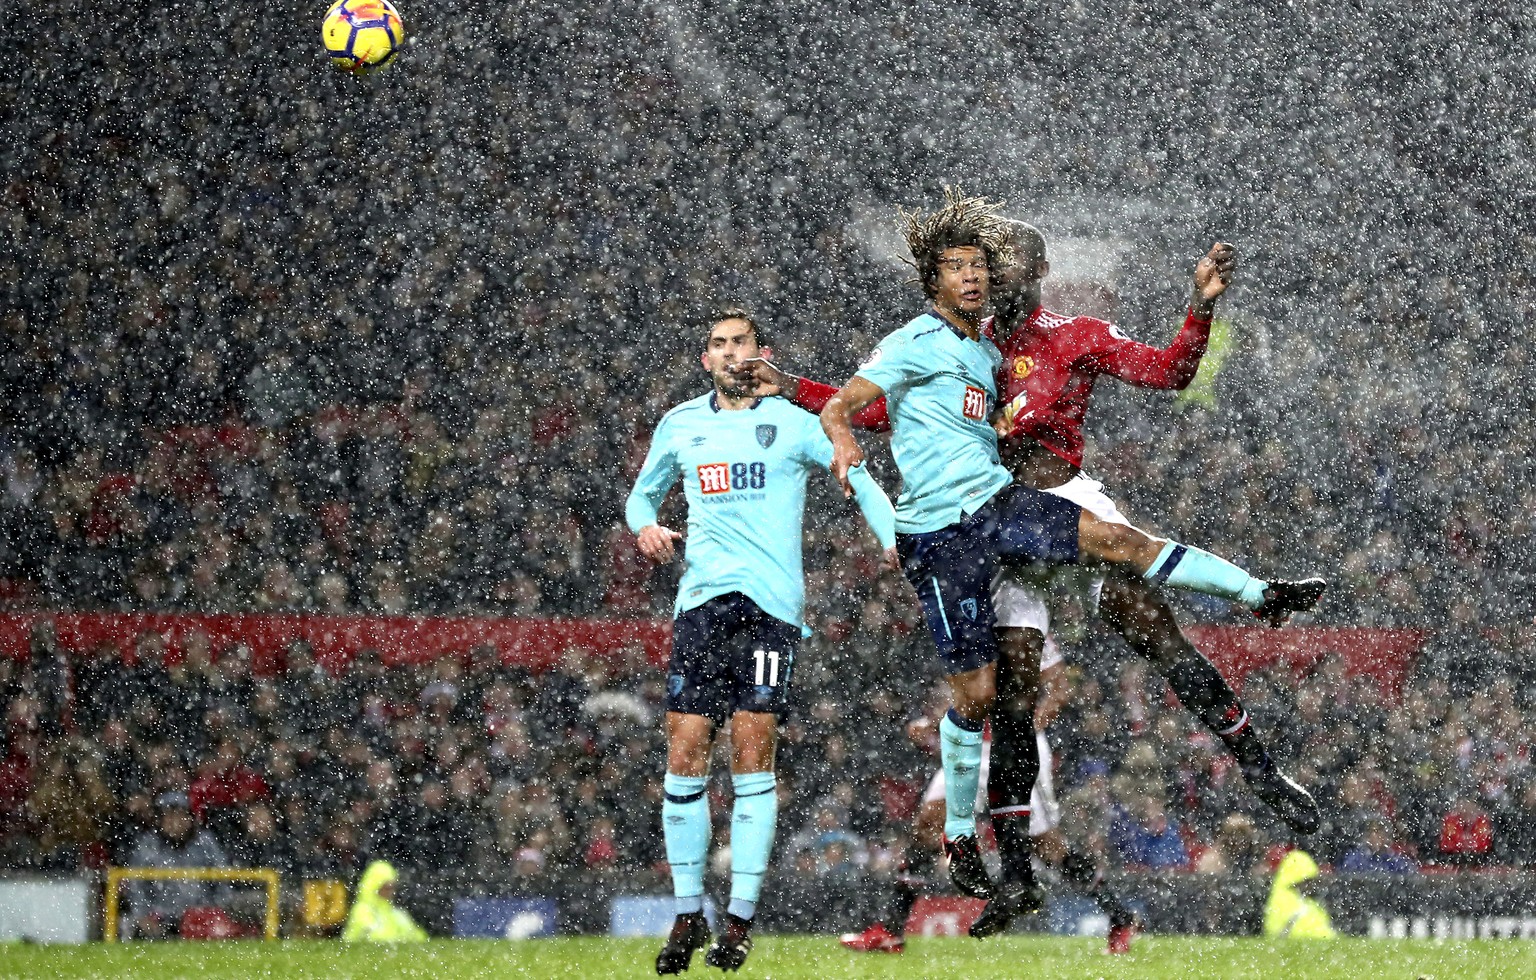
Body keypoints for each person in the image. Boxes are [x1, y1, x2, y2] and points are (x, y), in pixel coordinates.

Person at [748, 210, 1324, 931]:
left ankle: (1264, 772)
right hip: (993, 522)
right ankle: (1015, 874)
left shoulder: (1073, 335)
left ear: (1039, 272)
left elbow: (1169, 372)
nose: (994, 272)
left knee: (1154, 630)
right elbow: (887, 412)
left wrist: (1200, 308)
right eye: (986, 261)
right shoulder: (967, 346)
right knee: (1010, 692)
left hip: (1059, 501)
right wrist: (791, 386)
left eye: (1009, 260)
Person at [626, 309, 897, 974]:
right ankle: (689, 913)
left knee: (752, 751)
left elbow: (857, 475)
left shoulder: (798, 424)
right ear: (705, 359)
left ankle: (739, 922)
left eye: (739, 343)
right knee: (686, 747)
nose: (728, 353)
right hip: (701, 606)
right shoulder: (682, 424)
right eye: (717, 345)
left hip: (770, 611)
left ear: (762, 353)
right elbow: (641, 496)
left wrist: (892, 537)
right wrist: (647, 528)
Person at [841, 646, 1142, 955]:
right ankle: (891, 930)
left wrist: (1025, 727)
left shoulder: (1025, 621)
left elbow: (1060, 687)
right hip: (969, 744)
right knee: (926, 827)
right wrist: (934, 723)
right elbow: (967, 693)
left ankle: (1119, 917)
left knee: (1046, 846)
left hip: (1015, 751)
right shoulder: (968, 621)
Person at [123, 791, 232, 939]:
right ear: (159, 820)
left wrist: (217, 912)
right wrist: (143, 916)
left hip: (201, 917)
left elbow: (223, 881)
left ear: (191, 819)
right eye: (169, 816)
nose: (175, 822)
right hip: (160, 919)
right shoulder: (148, 844)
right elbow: (136, 887)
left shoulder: (205, 842)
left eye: (181, 815)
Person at [341, 860, 428, 942]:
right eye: (387, 888)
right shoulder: (362, 911)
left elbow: (418, 937)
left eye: (393, 887)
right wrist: (400, 939)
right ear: (375, 886)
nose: (392, 892)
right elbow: (371, 938)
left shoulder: (395, 913)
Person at [1263, 849, 1337, 939]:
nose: (1310, 885)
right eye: (1306, 881)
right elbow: (1302, 929)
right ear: (1297, 879)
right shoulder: (1285, 900)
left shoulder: (1303, 900)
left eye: (1311, 881)